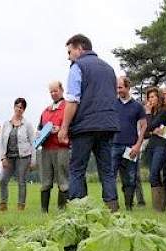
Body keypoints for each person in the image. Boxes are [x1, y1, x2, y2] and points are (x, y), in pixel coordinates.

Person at [59, 34, 120, 210]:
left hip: (84, 127)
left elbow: (72, 100)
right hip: (108, 125)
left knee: (77, 170)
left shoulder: (77, 67)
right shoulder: (109, 68)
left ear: (79, 49)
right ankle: (113, 211)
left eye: (70, 52)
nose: (68, 56)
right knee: (107, 172)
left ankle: (79, 212)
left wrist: (64, 128)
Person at [112, 75, 147, 210]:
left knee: (130, 178)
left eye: (120, 87)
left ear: (128, 87)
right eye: (117, 87)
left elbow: (144, 126)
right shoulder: (113, 104)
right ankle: (113, 207)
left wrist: (138, 145)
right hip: (114, 146)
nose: (118, 90)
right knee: (111, 176)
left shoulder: (137, 106)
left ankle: (128, 206)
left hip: (130, 147)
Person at [0, 98, 37, 212]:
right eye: (17, 106)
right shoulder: (6, 124)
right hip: (9, 157)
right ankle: (3, 205)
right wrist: (2, 157)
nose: (19, 109)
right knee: (2, 180)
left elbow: (33, 143)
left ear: (24, 110)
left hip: (23, 157)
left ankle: (21, 206)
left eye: (21, 107)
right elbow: (2, 142)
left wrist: (33, 160)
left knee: (21, 181)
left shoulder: (27, 124)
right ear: (14, 107)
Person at [38, 81, 70, 212]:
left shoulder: (68, 107)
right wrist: (39, 133)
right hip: (46, 149)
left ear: (62, 90)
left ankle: (61, 209)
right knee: (45, 180)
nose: (53, 93)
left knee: (62, 180)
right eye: (51, 91)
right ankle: (44, 210)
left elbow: (74, 126)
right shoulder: (45, 110)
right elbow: (40, 127)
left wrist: (61, 129)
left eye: (55, 90)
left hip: (61, 148)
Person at [143, 87, 166, 212]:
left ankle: (160, 206)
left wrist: (148, 114)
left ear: (159, 98)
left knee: (155, 173)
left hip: (161, 146)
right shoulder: (152, 113)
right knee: (153, 175)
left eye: (153, 96)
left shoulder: (163, 111)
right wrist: (152, 131)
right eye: (149, 97)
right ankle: (159, 207)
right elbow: (145, 132)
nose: (150, 99)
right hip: (151, 146)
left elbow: (150, 126)